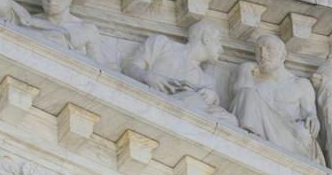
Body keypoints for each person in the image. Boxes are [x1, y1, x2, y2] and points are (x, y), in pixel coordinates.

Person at [227, 32, 320, 161]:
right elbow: (239, 100)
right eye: (258, 51)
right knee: (247, 93)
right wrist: (245, 70)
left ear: (283, 55)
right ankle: (248, 141)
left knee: (303, 131)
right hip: (256, 136)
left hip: (289, 137)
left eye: (269, 49)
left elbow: (311, 116)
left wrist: (313, 118)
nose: (263, 55)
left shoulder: (300, 84)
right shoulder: (254, 82)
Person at [123, 20, 226, 109]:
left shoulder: (207, 81)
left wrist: (213, 97)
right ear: (206, 39)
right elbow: (128, 68)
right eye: (219, 41)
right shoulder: (162, 44)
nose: (222, 49)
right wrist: (147, 77)